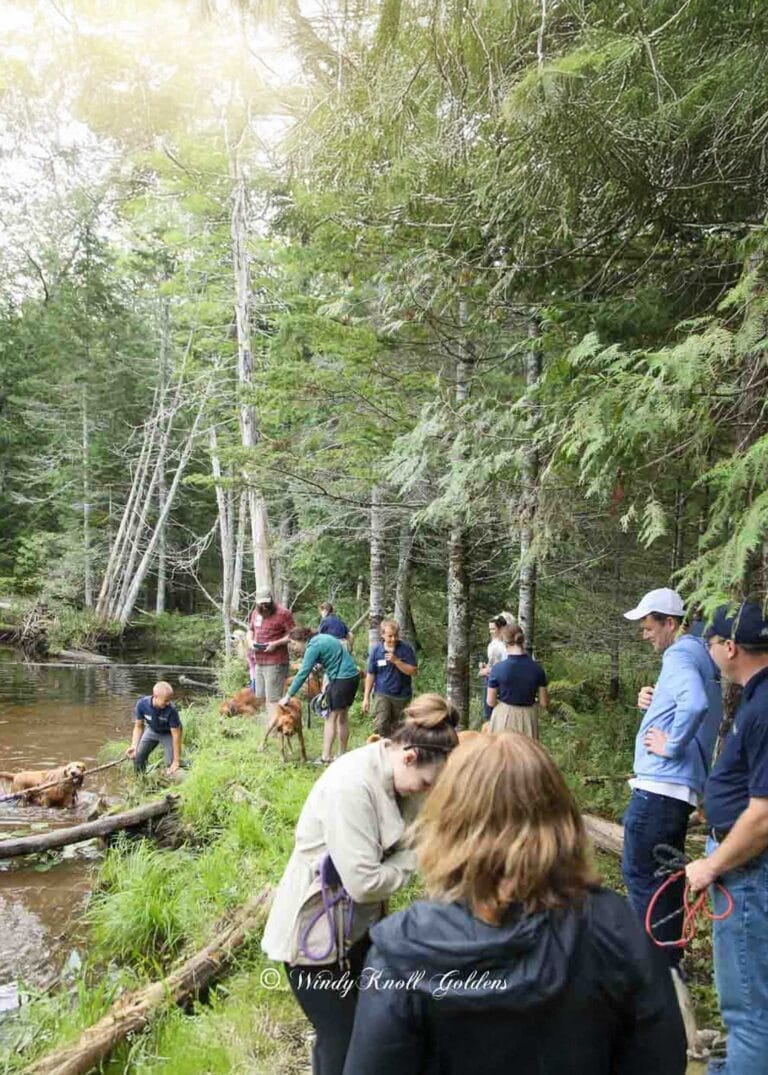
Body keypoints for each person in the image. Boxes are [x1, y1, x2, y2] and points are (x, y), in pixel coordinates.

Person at [343, 733, 686, 1075]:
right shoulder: (616, 925)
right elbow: (661, 1059)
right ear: (562, 818)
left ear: (448, 823)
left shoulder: (402, 949)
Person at [261, 694, 459, 1075]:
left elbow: (419, 832)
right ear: (409, 757)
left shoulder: (397, 772)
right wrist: (418, 858)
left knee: (378, 1029)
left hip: (358, 932)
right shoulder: (351, 786)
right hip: (314, 942)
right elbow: (365, 883)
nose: (425, 792)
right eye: (425, 783)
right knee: (342, 1037)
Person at [685, 602, 768, 1075]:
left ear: (729, 647)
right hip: (746, 865)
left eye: (712, 643)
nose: (711, 651)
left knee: (748, 1007)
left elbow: (762, 817)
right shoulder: (757, 698)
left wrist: (711, 867)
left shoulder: (763, 708)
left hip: (748, 873)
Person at [622, 587, 722, 965]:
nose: (645, 634)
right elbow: (690, 700)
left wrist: (671, 744)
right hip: (677, 793)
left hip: (658, 789)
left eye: (649, 626)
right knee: (665, 883)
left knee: (643, 880)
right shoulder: (699, 654)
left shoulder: (680, 652)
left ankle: (649, 973)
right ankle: (669, 967)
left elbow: (693, 703)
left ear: (670, 623)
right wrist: (655, 697)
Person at [279, 626, 361, 765]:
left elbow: (302, 674)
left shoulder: (313, 646)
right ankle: (341, 754)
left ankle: (325, 757)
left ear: (302, 639)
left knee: (330, 717)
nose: (293, 647)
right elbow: (333, 657)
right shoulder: (323, 638)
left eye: (293, 643)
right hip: (352, 677)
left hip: (341, 679)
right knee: (343, 717)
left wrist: (288, 696)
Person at [486, 624, 548, 738]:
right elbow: (544, 703)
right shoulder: (537, 669)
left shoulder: (498, 669)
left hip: (503, 716)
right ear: (522, 640)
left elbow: (490, 701)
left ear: (505, 643)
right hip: (529, 718)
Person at [246, 588, 295, 725]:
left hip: (276, 662)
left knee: (273, 698)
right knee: (262, 696)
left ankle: (277, 728)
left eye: (266, 603)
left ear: (271, 600)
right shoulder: (255, 612)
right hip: (259, 661)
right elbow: (250, 630)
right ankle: (276, 722)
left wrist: (275, 643)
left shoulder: (283, 613)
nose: (264, 606)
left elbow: (293, 635)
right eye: (261, 603)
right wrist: (250, 642)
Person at [362, 620, 418, 737]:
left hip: (402, 695)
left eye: (396, 635)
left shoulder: (406, 649)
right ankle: (381, 749)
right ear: (382, 635)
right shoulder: (376, 650)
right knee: (380, 725)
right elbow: (371, 674)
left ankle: (396, 751)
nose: (393, 639)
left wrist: (396, 661)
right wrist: (366, 698)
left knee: (400, 728)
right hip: (382, 693)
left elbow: (413, 671)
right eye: (390, 636)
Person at [127, 681, 182, 774]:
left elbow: (176, 735)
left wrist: (176, 761)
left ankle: (172, 779)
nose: (168, 703)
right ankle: (140, 781)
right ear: (155, 696)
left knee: (171, 763)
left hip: (168, 733)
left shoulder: (172, 710)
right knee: (138, 757)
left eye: (170, 700)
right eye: (166, 700)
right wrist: (134, 745)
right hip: (152, 730)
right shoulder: (142, 704)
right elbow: (138, 726)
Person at [478, 615, 509, 720]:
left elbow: (506, 665)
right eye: (490, 629)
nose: (491, 631)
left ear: (500, 629)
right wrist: (485, 667)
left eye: (493, 629)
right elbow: (494, 663)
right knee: (488, 710)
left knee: (492, 710)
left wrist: (488, 670)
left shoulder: (504, 646)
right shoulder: (492, 644)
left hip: (498, 681)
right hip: (490, 678)